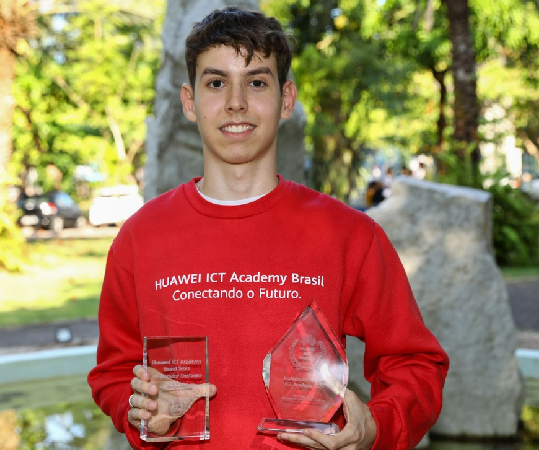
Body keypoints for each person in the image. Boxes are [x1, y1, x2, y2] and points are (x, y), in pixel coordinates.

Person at [88, 7, 449, 450]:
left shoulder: (349, 236)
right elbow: (113, 372)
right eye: (216, 83)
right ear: (189, 101)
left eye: (257, 82)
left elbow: (416, 363)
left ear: (287, 99)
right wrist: (139, 408)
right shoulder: (140, 239)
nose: (236, 102)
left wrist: (375, 425)